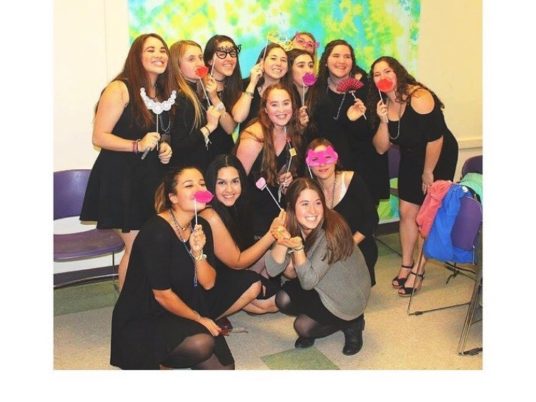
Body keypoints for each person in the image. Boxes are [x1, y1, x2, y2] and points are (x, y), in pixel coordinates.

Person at [110, 167, 235, 369]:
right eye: (189, 185)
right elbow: (162, 295)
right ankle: (159, 361)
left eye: (202, 184)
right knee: (201, 344)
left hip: (183, 306)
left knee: (225, 369)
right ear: (173, 197)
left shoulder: (201, 225)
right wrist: (199, 319)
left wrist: (198, 253)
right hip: (146, 315)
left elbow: (208, 283)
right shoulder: (156, 232)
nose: (199, 189)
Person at [80, 33, 174, 290]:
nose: (159, 55)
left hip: (148, 179)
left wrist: (164, 147)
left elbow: (157, 132)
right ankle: (129, 307)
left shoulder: (160, 93)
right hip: (121, 180)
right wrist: (137, 145)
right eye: (151, 50)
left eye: (162, 50)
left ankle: (141, 302)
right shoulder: (119, 88)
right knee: (137, 246)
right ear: (136, 56)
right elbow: (99, 136)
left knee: (147, 245)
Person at [369, 56, 459, 296]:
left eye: (387, 71)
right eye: (377, 74)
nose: (383, 77)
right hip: (411, 156)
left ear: (398, 72)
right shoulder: (383, 104)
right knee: (407, 211)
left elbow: (436, 138)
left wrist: (428, 172)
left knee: (427, 214)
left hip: (438, 154)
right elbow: (380, 148)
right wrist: (383, 121)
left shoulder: (419, 97)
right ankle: (406, 264)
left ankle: (419, 269)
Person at [266, 178, 371, 356]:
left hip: (348, 295)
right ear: (291, 208)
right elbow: (272, 270)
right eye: (305, 204)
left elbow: (307, 282)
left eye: (317, 203)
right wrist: (282, 239)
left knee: (303, 326)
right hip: (321, 283)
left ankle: (352, 323)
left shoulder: (332, 231)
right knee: (282, 299)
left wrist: (297, 248)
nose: (313, 211)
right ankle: (324, 317)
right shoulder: (295, 224)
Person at [201, 154, 286, 314]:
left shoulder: (237, 205)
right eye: (221, 183)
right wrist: (271, 234)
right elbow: (237, 262)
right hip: (210, 283)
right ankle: (209, 316)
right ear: (211, 185)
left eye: (235, 181)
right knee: (261, 295)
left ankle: (240, 298)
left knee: (276, 300)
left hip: (230, 272)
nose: (229, 190)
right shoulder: (210, 215)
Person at [308, 39, 389, 205]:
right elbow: (317, 134)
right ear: (325, 61)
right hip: (328, 170)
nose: (342, 61)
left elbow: (372, 134)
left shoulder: (366, 89)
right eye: (336, 55)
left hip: (364, 170)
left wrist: (358, 119)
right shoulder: (315, 92)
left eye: (347, 57)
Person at [234, 83, 304, 239]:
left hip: (279, 214)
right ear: (265, 109)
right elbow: (237, 182)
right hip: (252, 217)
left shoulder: (291, 132)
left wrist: (287, 179)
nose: (281, 110)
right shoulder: (254, 138)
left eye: (286, 103)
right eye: (274, 105)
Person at [307, 138, 379, 286]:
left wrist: (350, 244)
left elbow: (372, 217)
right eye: (316, 159)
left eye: (327, 157)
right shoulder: (310, 190)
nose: (322, 164)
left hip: (358, 246)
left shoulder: (352, 180)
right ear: (309, 164)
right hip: (327, 251)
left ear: (335, 159)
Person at [168, 40, 222, 172]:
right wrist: (209, 127)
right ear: (177, 66)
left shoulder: (198, 93)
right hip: (189, 174)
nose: (199, 63)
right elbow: (179, 146)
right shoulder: (180, 98)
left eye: (200, 57)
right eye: (191, 59)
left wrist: (214, 96)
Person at [203, 35, 243, 161]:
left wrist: (214, 98)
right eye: (222, 54)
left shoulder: (236, 89)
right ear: (210, 60)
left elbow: (230, 128)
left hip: (223, 157)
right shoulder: (198, 84)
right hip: (198, 154)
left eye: (232, 53)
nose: (229, 58)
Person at [231, 42, 289, 130]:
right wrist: (252, 83)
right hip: (249, 138)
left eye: (283, 60)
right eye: (273, 58)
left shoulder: (290, 90)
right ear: (262, 62)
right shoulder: (245, 84)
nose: (279, 63)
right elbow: (238, 117)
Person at [286, 48, 314, 133]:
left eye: (311, 66)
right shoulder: (283, 95)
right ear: (289, 69)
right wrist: (300, 126)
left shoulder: (319, 93)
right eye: (301, 66)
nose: (308, 70)